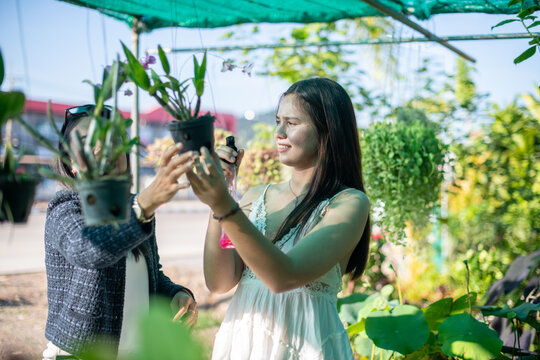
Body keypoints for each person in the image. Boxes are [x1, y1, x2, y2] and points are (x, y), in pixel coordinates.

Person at [188, 78, 371, 359]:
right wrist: (222, 195)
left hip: (306, 347)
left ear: (328, 131)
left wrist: (224, 205)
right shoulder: (254, 197)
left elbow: (284, 276)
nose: (279, 132)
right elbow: (220, 282)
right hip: (244, 345)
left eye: (292, 123)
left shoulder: (349, 203)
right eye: (278, 121)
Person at [42, 105, 198, 359]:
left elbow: (152, 278)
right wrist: (144, 205)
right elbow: (88, 251)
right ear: (71, 164)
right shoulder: (64, 209)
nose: (101, 148)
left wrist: (176, 294)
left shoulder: (135, 208)